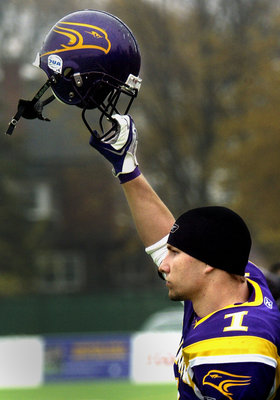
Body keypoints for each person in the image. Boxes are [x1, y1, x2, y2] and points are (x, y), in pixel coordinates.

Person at [90, 114, 280, 400]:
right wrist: (126, 169)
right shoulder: (240, 279)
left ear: (208, 265)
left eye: (175, 254)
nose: (163, 265)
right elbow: (162, 241)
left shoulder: (236, 347)